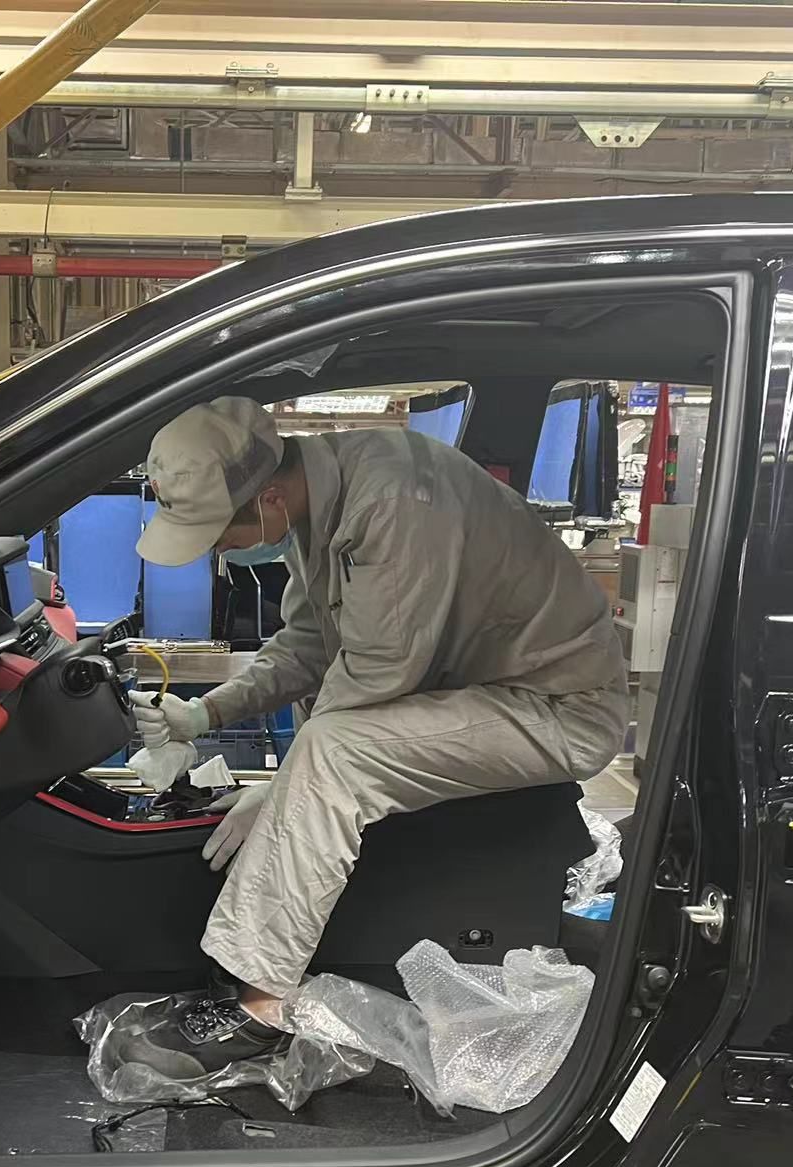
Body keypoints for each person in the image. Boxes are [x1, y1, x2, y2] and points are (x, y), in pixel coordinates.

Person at [125, 395, 629, 1077]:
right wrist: (203, 714)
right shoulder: (319, 505)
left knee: (331, 756)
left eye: (219, 533)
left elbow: (374, 678)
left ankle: (261, 1008)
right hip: (482, 689)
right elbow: (308, 646)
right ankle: (257, 965)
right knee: (325, 753)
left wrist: (284, 789)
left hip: (556, 705)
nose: (217, 550)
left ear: (268, 498)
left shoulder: (391, 503)